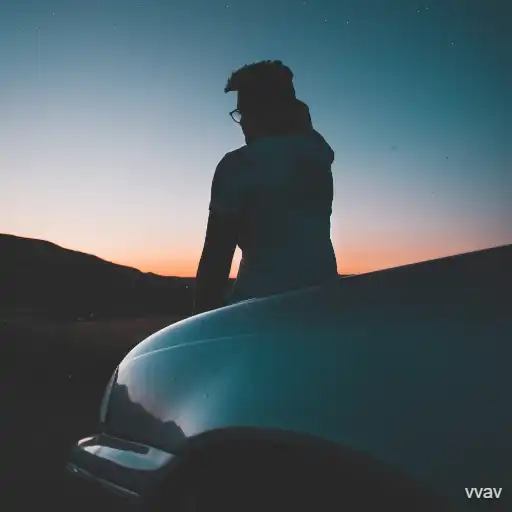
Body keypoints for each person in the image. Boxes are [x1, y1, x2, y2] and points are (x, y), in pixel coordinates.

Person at [193, 60, 338, 314]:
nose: (243, 124)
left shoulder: (238, 166)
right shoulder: (318, 156)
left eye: (245, 112)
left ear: (269, 110)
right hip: (323, 310)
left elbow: (214, 264)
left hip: (257, 315)